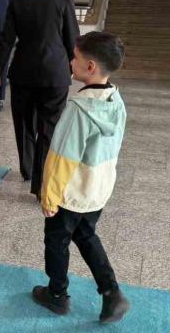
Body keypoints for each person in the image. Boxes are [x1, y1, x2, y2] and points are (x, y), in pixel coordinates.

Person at [32, 31, 130, 324]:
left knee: (57, 241)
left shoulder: (79, 109)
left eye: (74, 58)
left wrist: (50, 196)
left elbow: (62, 157)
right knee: (86, 235)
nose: (70, 62)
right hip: (97, 189)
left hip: (70, 192)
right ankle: (111, 292)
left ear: (90, 67)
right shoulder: (115, 100)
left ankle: (57, 294)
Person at [0, 0, 79, 198]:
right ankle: (41, 184)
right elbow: (73, 40)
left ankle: (28, 170)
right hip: (55, 75)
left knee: (24, 125)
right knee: (49, 129)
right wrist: (77, 68)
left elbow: (6, 40)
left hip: (23, 74)